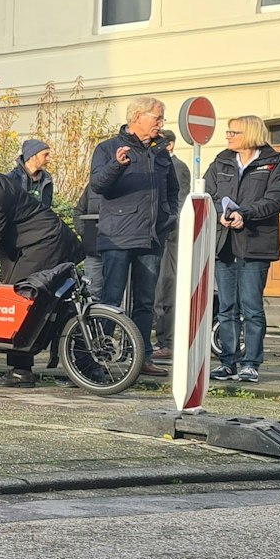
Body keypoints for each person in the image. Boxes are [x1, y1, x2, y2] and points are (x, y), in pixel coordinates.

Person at [0, 163, 83, 388]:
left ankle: (22, 371)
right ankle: (73, 364)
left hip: (43, 242)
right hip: (33, 242)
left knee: (19, 301)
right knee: (45, 303)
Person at [87, 98, 180, 377]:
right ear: (138, 116)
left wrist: (169, 216)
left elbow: (172, 189)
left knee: (145, 302)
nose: (161, 124)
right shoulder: (108, 148)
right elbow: (98, 185)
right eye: (157, 118)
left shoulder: (160, 152)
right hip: (117, 236)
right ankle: (98, 359)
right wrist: (117, 165)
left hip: (151, 236)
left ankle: (141, 359)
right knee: (111, 299)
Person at [204, 116, 280, 383]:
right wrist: (220, 212)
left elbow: (277, 199)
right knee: (226, 307)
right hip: (224, 244)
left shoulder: (274, 161)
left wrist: (246, 213)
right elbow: (208, 192)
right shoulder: (221, 161)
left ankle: (251, 362)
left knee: (252, 307)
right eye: (228, 131)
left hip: (256, 244)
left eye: (234, 132)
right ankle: (228, 361)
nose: (228, 136)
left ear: (251, 134)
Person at [150, 130, 193, 362]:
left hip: (171, 236)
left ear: (171, 145)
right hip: (156, 236)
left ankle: (169, 341)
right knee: (157, 291)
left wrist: (166, 225)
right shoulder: (156, 165)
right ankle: (161, 339)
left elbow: (180, 200)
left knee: (167, 288)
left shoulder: (178, 167)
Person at [9, 138, 53, 210]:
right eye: (45, 155)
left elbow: (46, 208)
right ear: (32, 157)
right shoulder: (11, 179)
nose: (48, 158)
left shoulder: (47, 179)